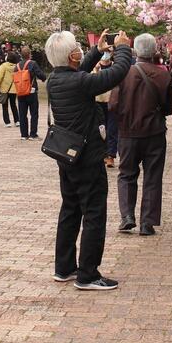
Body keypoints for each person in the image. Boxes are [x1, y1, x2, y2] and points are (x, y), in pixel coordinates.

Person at [45, 29, 132, 290]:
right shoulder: (80, 82)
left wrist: (97, 50)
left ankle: (65, 267)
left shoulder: (55, 79)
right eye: (79, 49)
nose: (81, 51)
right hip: (88, 156)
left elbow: (78, 71)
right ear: (72, 54)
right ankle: (88, 274)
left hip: (67, 155)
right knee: (94, 212)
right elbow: (115, 74)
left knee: (70, 209)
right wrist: (122, 48)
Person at [109, 33, 172, 237]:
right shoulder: (164, 74)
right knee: (153, 177)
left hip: (128, 133)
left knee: (127, 174)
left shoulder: (123, 74)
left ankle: (127, 216)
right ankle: (148, 222)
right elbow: (170, 107)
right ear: (154, 50)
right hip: (154, 133)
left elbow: (112, 105)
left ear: (135, 50)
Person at [92, 49, 118, 168]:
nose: (105, 55)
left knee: (112, 129)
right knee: (100, 129)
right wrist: (96, 70)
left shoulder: (115, 68)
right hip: (98, 102)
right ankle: (101, 153)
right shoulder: (95, 67)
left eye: (108, 52)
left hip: (112, 102)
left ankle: (110, 155)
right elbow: (91, 82)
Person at [15, 46, 47, 140]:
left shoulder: (17, 66)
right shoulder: (32, 63)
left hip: (20, 92)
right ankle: (33, 134)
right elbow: (41, 75)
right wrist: (43, 78)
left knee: (22, 114)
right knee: (34, 113)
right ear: (29, 55)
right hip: (31, 91)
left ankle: (24, 135)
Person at [0, 52, 20, 128]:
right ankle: (17, 121)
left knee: (5, 106)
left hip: (5, 89)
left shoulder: (3, 66)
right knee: (13, 105)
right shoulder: (17, 67)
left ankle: (7, 122)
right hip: (14, 89)